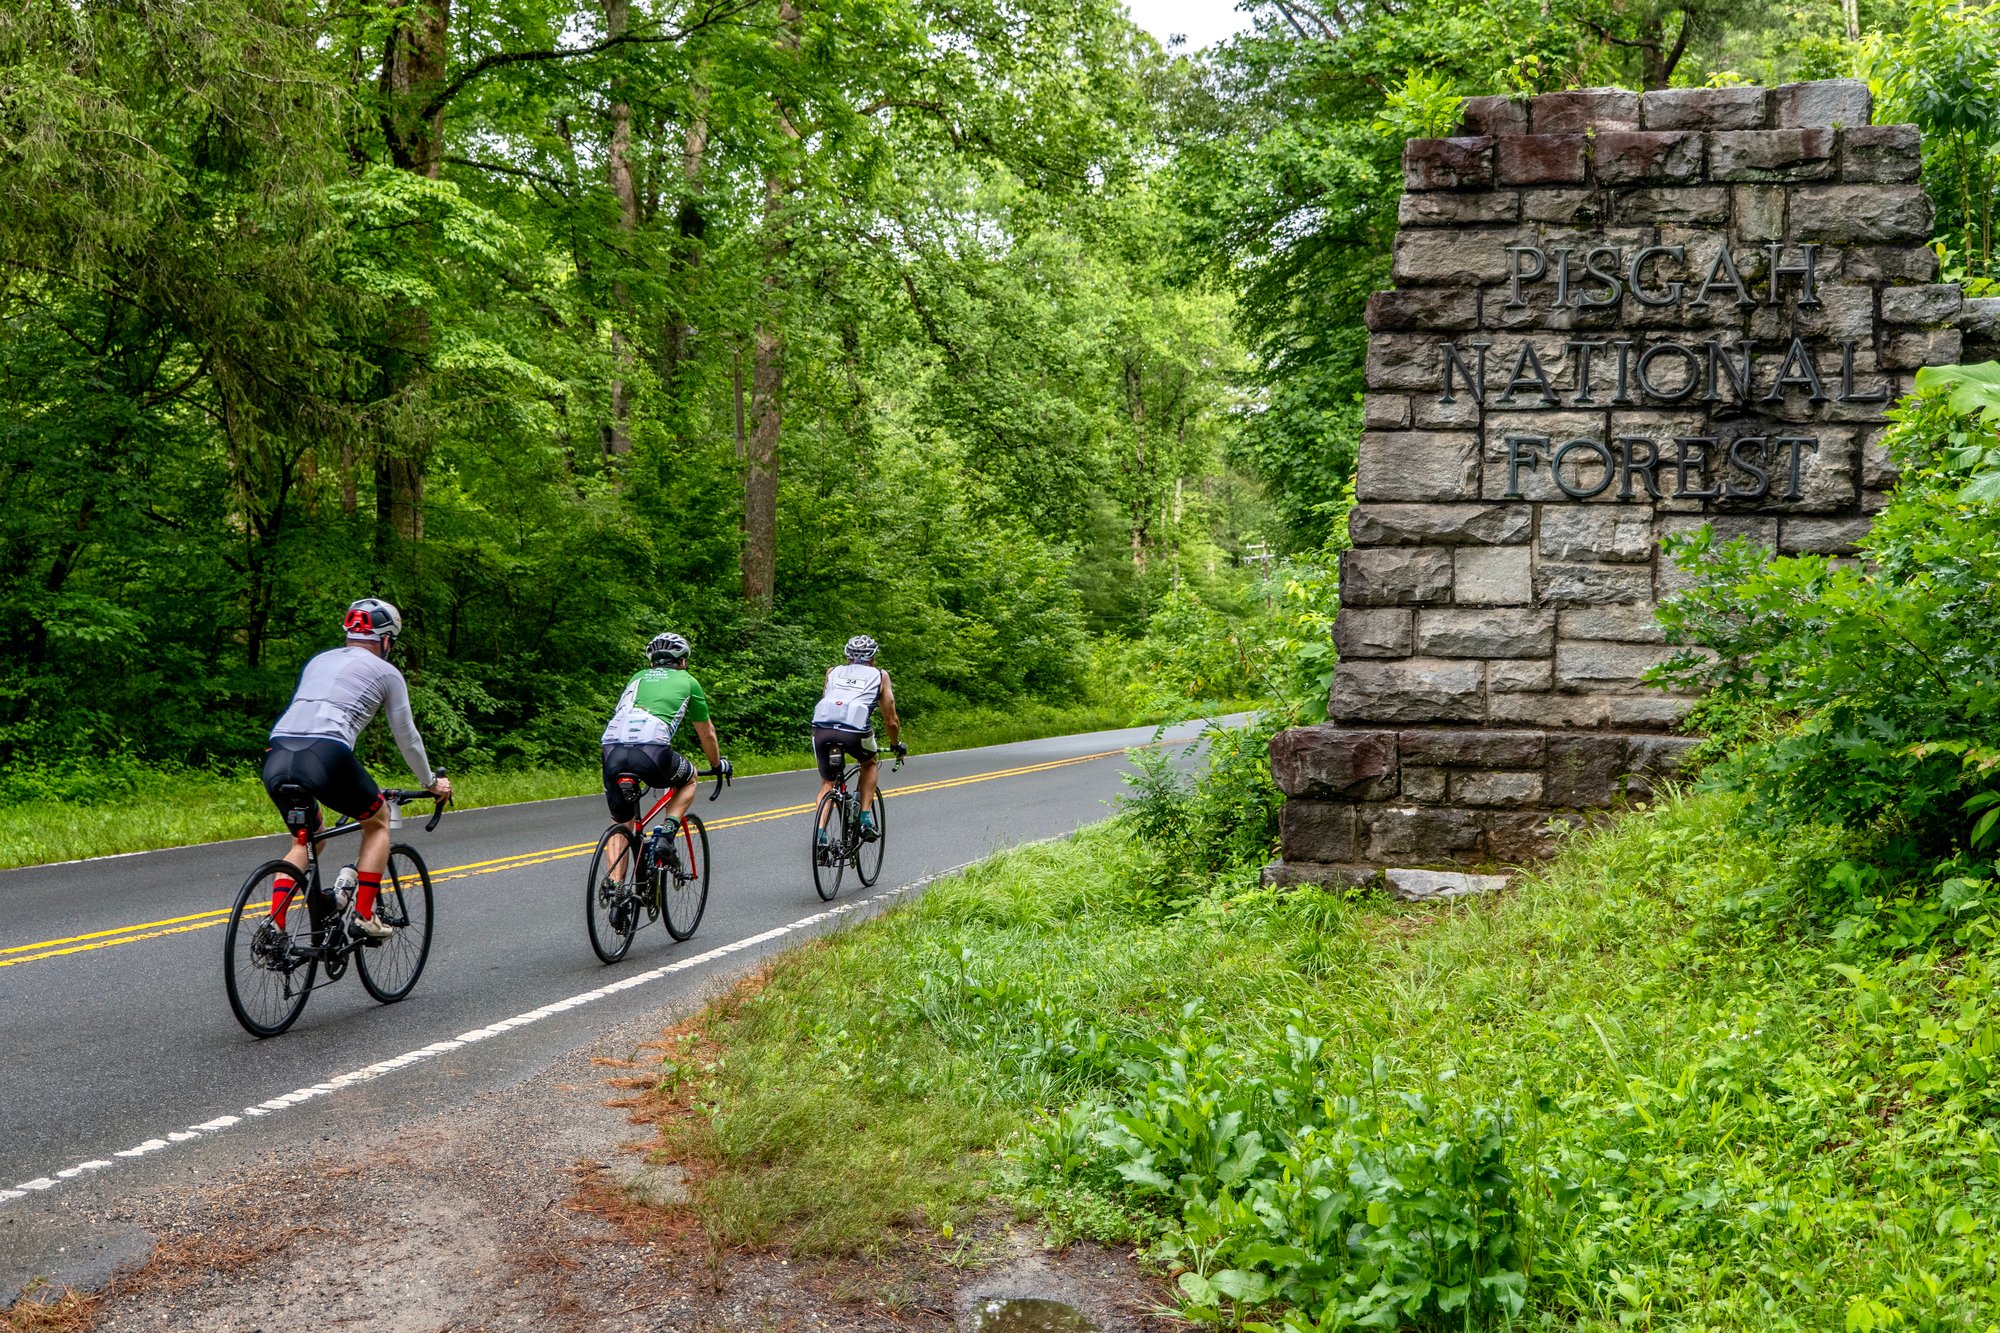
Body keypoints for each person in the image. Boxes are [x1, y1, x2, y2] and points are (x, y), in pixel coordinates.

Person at [262, 598, 452, 940]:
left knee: (306, 840)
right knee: (377, 822)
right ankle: (364, 915)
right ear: (386, 639)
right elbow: (407, 736)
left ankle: (274, 926)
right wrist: (431, 783)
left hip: (277, 751)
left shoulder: (319, 660)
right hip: (325, 752)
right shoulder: (387, 672)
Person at [601, 632, 727, 850]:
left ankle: (613, 884)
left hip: (612, 749)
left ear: (652, 661)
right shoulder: (688, 681)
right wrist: (717, 765)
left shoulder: (637, 677)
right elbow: (707, 733)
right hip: (651, 749)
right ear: (683, 661)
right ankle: (666, 835)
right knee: (689, 778)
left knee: (621, 823)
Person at [811, 634, 904, 844]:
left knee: (828, 782)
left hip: (821, 729)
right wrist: (895, 744)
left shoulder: (832, 672)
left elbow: (830, 700)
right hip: (855, 730)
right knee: (869, 763)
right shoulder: (880, 676)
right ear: (873, 658)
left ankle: (820, 836)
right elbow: (891, 720)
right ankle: (864, 818)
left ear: (847, 656)